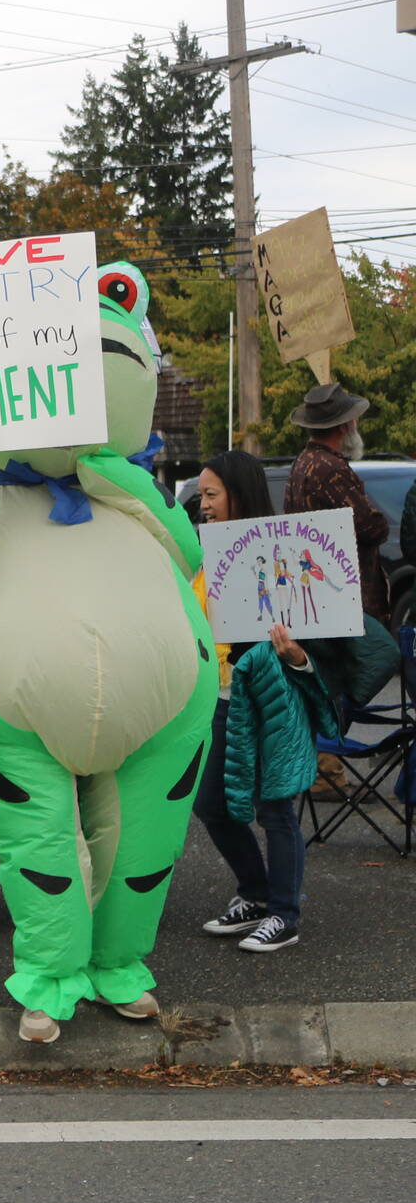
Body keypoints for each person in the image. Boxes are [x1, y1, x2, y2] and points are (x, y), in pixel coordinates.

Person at [192, 452, 323, 955]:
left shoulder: (282, 551)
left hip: (272, 698)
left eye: (211, 494)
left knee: (275, 809)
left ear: (238, 494)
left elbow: (321, 636)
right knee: (212, 805)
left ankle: (284, 915)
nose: (202, 505)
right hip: (223, 697)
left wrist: (296, 655)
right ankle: (256, 893)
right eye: (201, 495)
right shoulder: (208, 552)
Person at [285, 382, 389, 622]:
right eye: (354, 419)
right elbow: (372, 528)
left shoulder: (302, 462)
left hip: (322, 594)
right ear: (345, 426)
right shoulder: (330, 468)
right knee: (382, 656)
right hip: (348, 599)